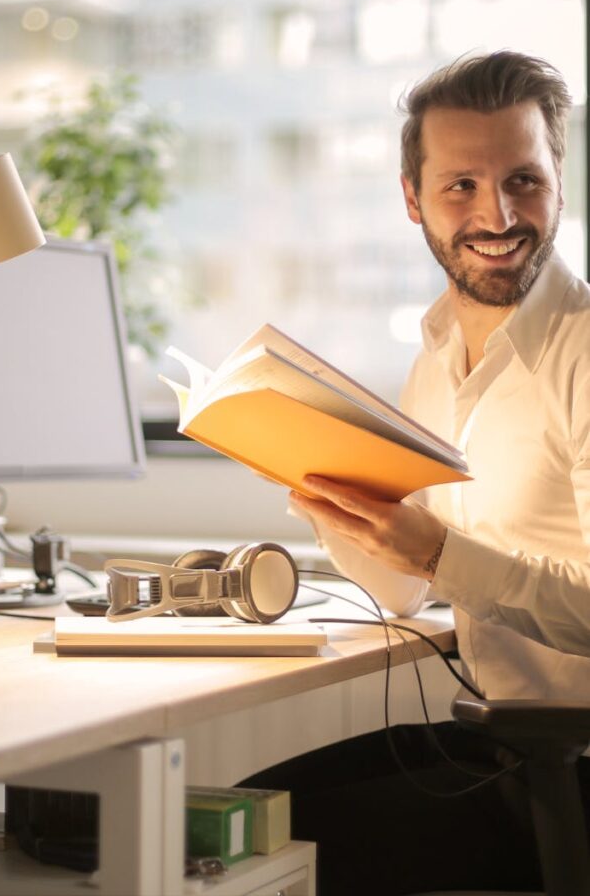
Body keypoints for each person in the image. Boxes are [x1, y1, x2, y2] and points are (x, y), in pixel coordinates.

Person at [240, 50, 590, 894]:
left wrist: (439, 553)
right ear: (412, 199)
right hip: (499, 744)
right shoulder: (436, 354)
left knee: (243, 847)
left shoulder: (580, 350)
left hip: (568, 765)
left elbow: (443, 567)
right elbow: (401, 598)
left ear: (558, 182)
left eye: (522, 181)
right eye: (460, 185)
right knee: (237, 813)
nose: (497, 214)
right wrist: (326, 493)